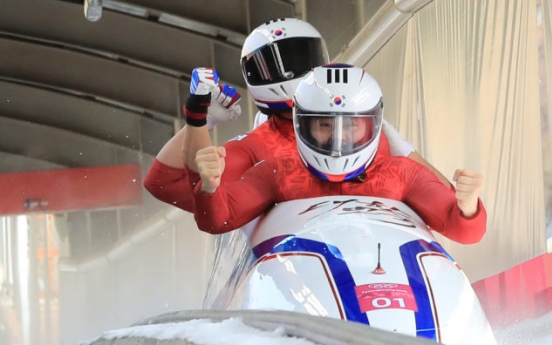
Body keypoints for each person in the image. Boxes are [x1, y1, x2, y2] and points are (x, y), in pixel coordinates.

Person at [144, 18, 450, 215]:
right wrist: (200, 123)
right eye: (323, 126)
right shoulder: (259, 146)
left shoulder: (371, 132)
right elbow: (166, 183)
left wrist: (400, 146)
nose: (339, 135)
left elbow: (444, 198)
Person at [189, 64, 486, 245]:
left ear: (373, 126)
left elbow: (462, 229)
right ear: (301, 126)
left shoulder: (402, 174)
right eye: (323, 125)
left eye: (351, 126)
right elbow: (220, 219)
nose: (338, 139)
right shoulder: (278, 172)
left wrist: (469, 205)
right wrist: (210, 187)